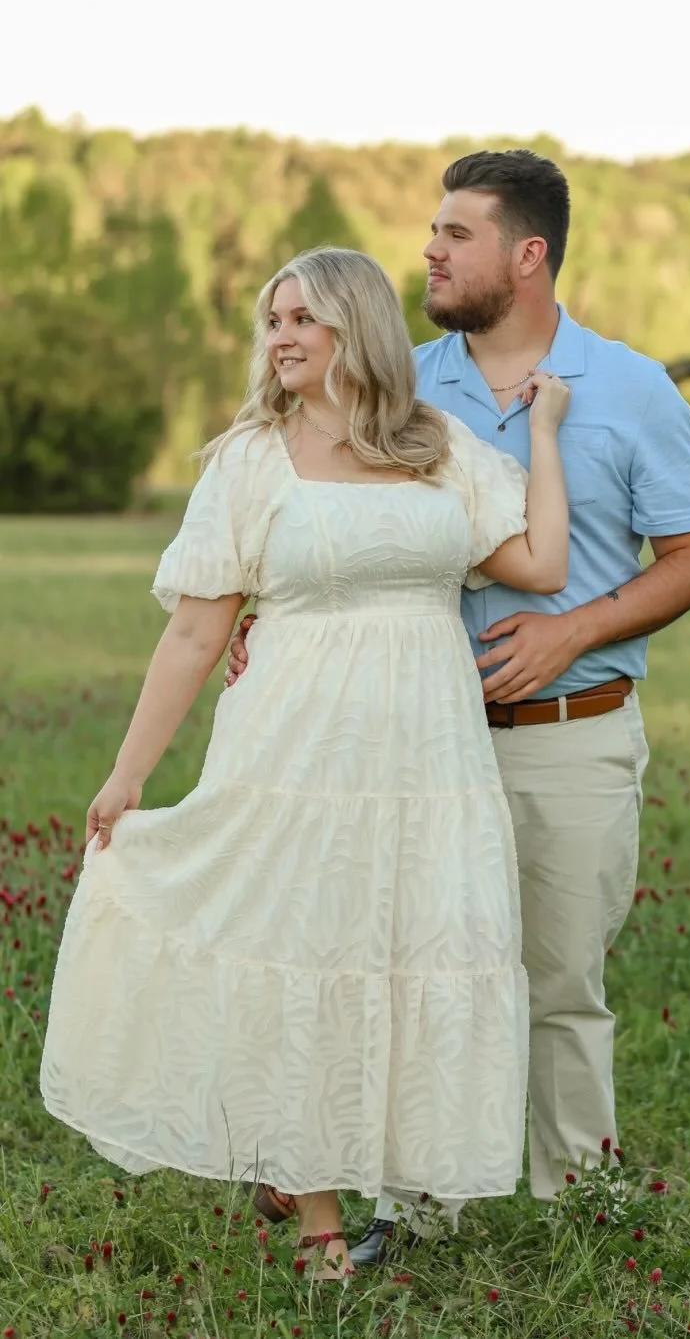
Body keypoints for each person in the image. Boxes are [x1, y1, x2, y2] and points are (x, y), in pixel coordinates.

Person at [227, 150, 690, 1265]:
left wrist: (574, 628)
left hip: (571, 732)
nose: (430, 252)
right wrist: (278, 617)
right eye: (433, 232)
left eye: (455, 233)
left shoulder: (633, 387)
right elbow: (336, 525)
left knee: (558, 980)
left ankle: (581, 1221)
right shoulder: (403, 389)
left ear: (527, 253)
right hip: (414, 743)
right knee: (409, 971)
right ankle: (414, 1210)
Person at [39, 246, 571, 1282]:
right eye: (270, 319)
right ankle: (319, 1217)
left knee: (416, 946)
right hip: (293, 748)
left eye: (301, 318)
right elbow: (196, 634)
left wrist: (542, 437)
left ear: (356, 327)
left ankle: (380, 1172)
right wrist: (127, 772)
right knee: (306, 949)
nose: (279, 336)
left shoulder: (438, 448)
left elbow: (540, 565)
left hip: (427, 758)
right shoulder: (249, 459)